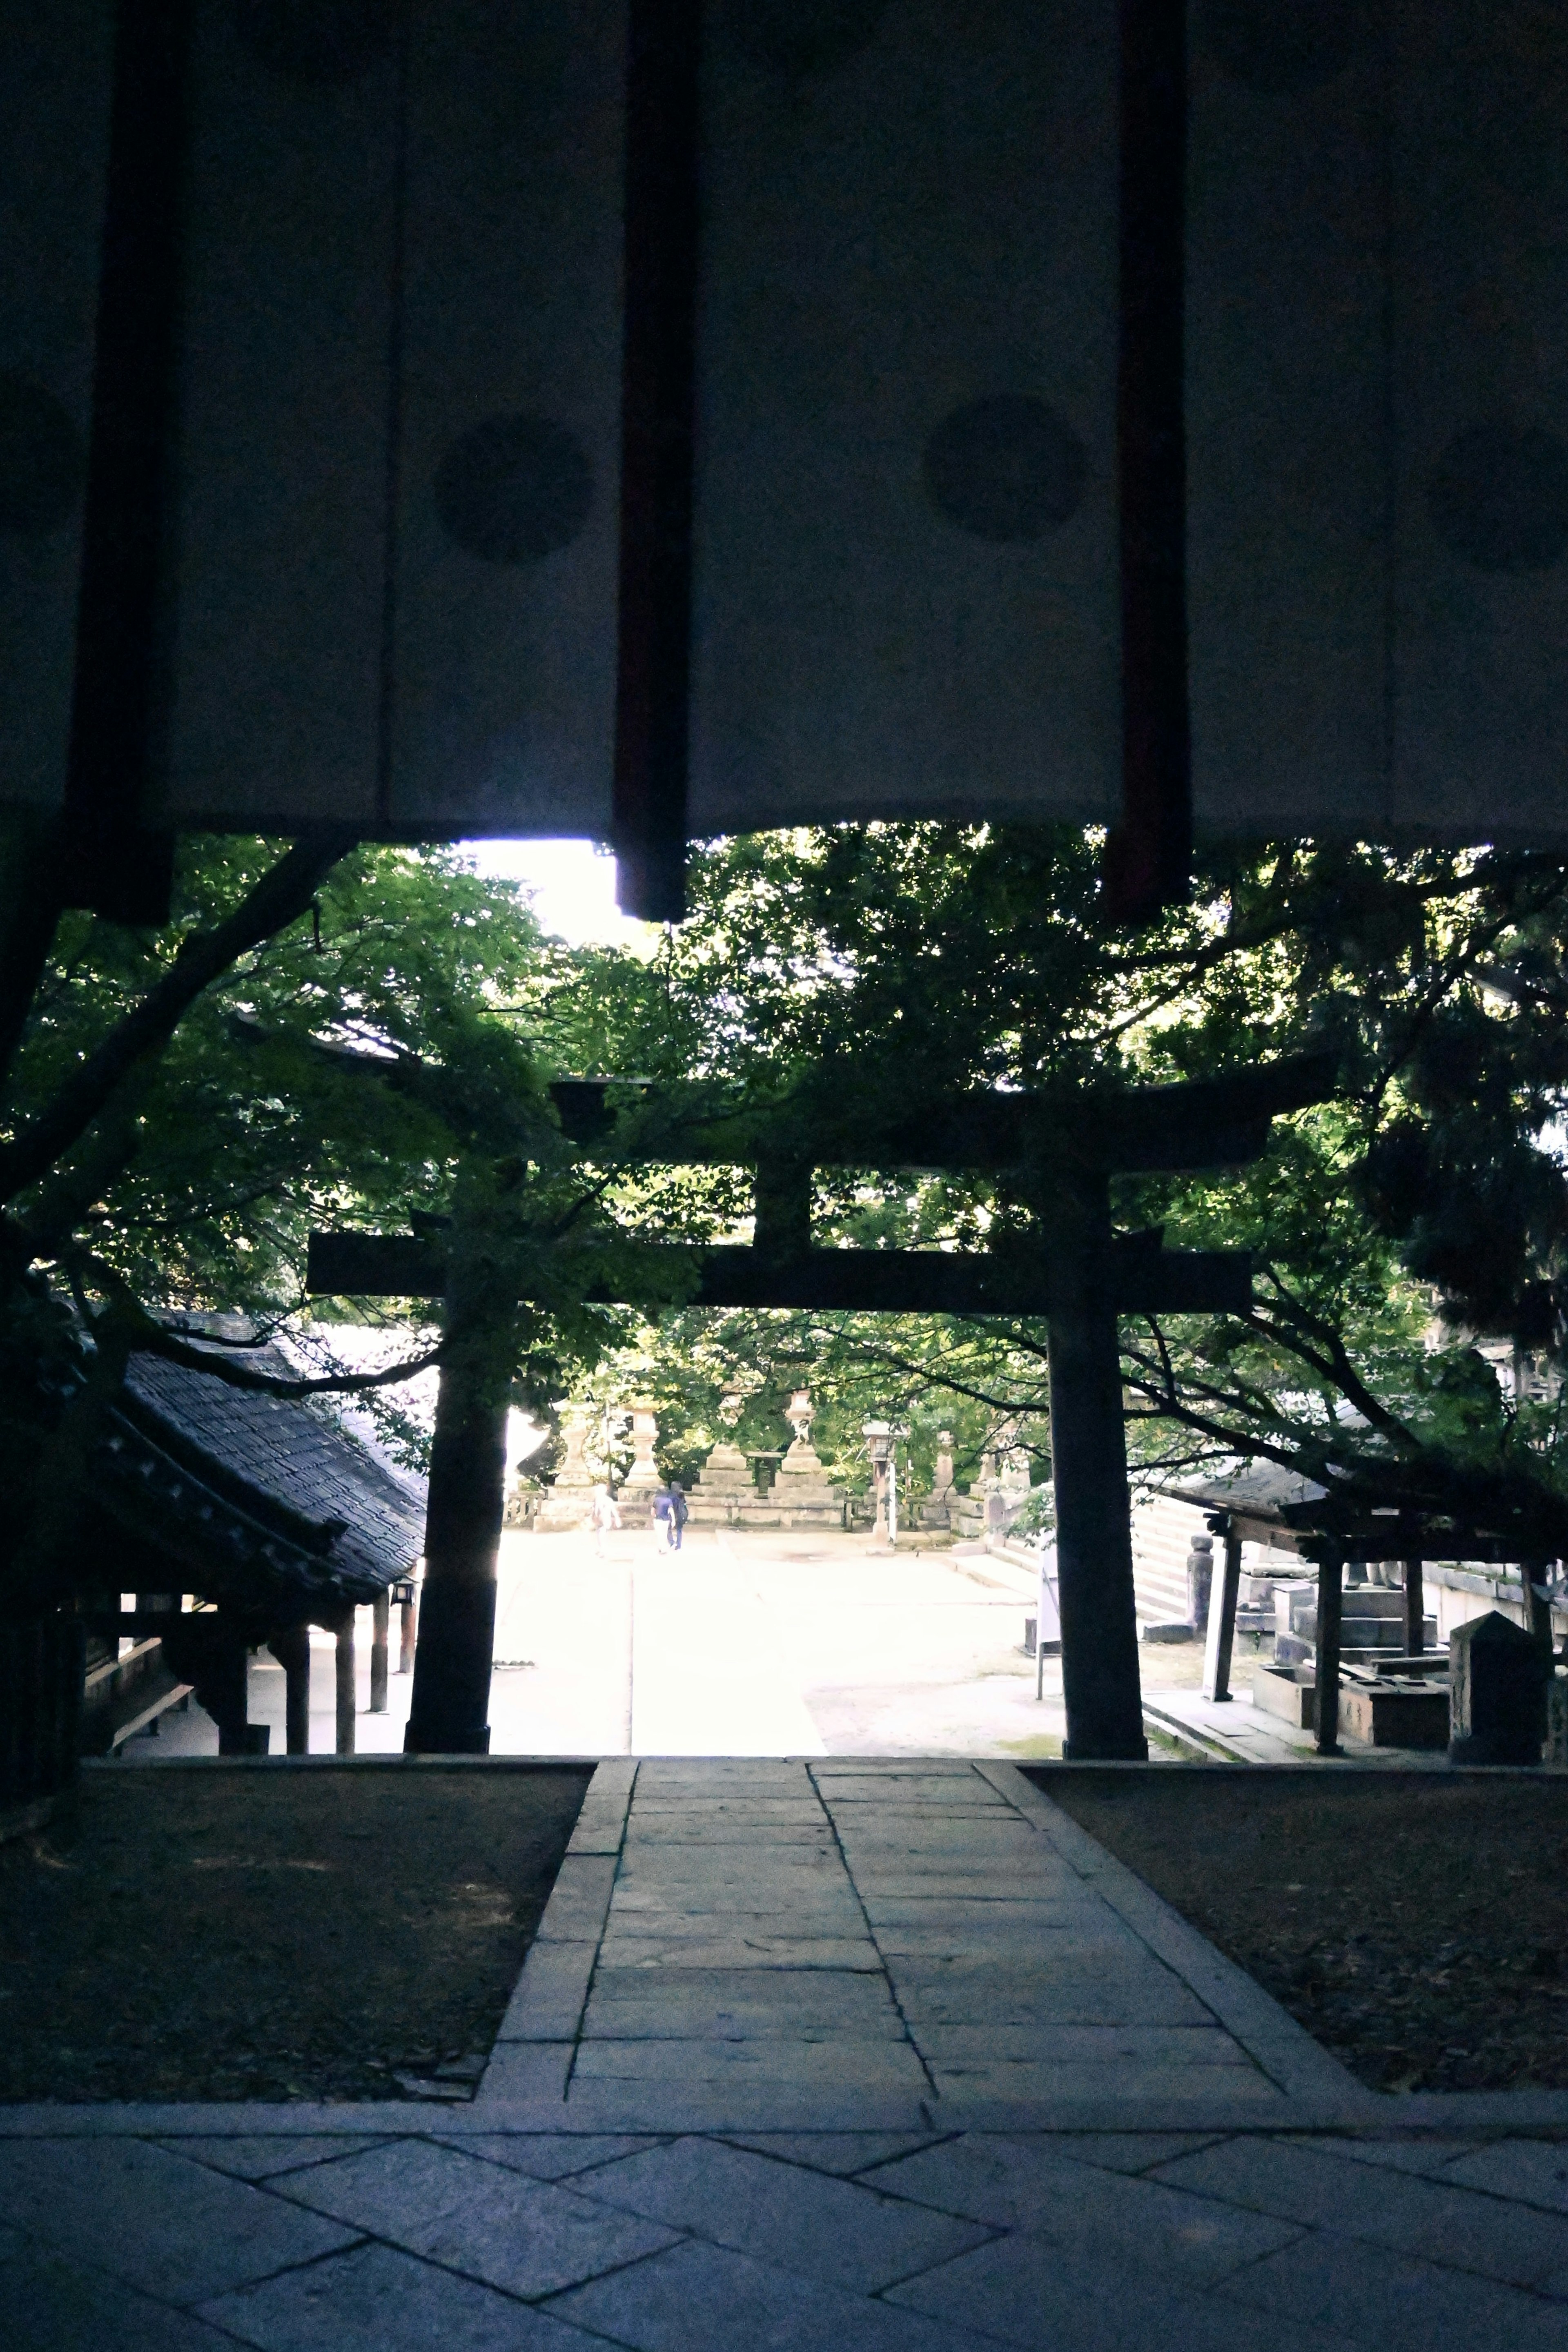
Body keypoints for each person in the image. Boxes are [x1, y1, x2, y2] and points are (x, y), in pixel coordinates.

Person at [589, 1482, 621, 1559]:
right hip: (599, 1519)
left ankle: (603, 1550)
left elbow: (613, 1510)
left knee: (601, 1535)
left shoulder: (607, 1500)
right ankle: (602, 1549)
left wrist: (617, 1518)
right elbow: (595, 1509)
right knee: (600, 1535)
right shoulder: (598, 1499)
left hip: (605, 1520)